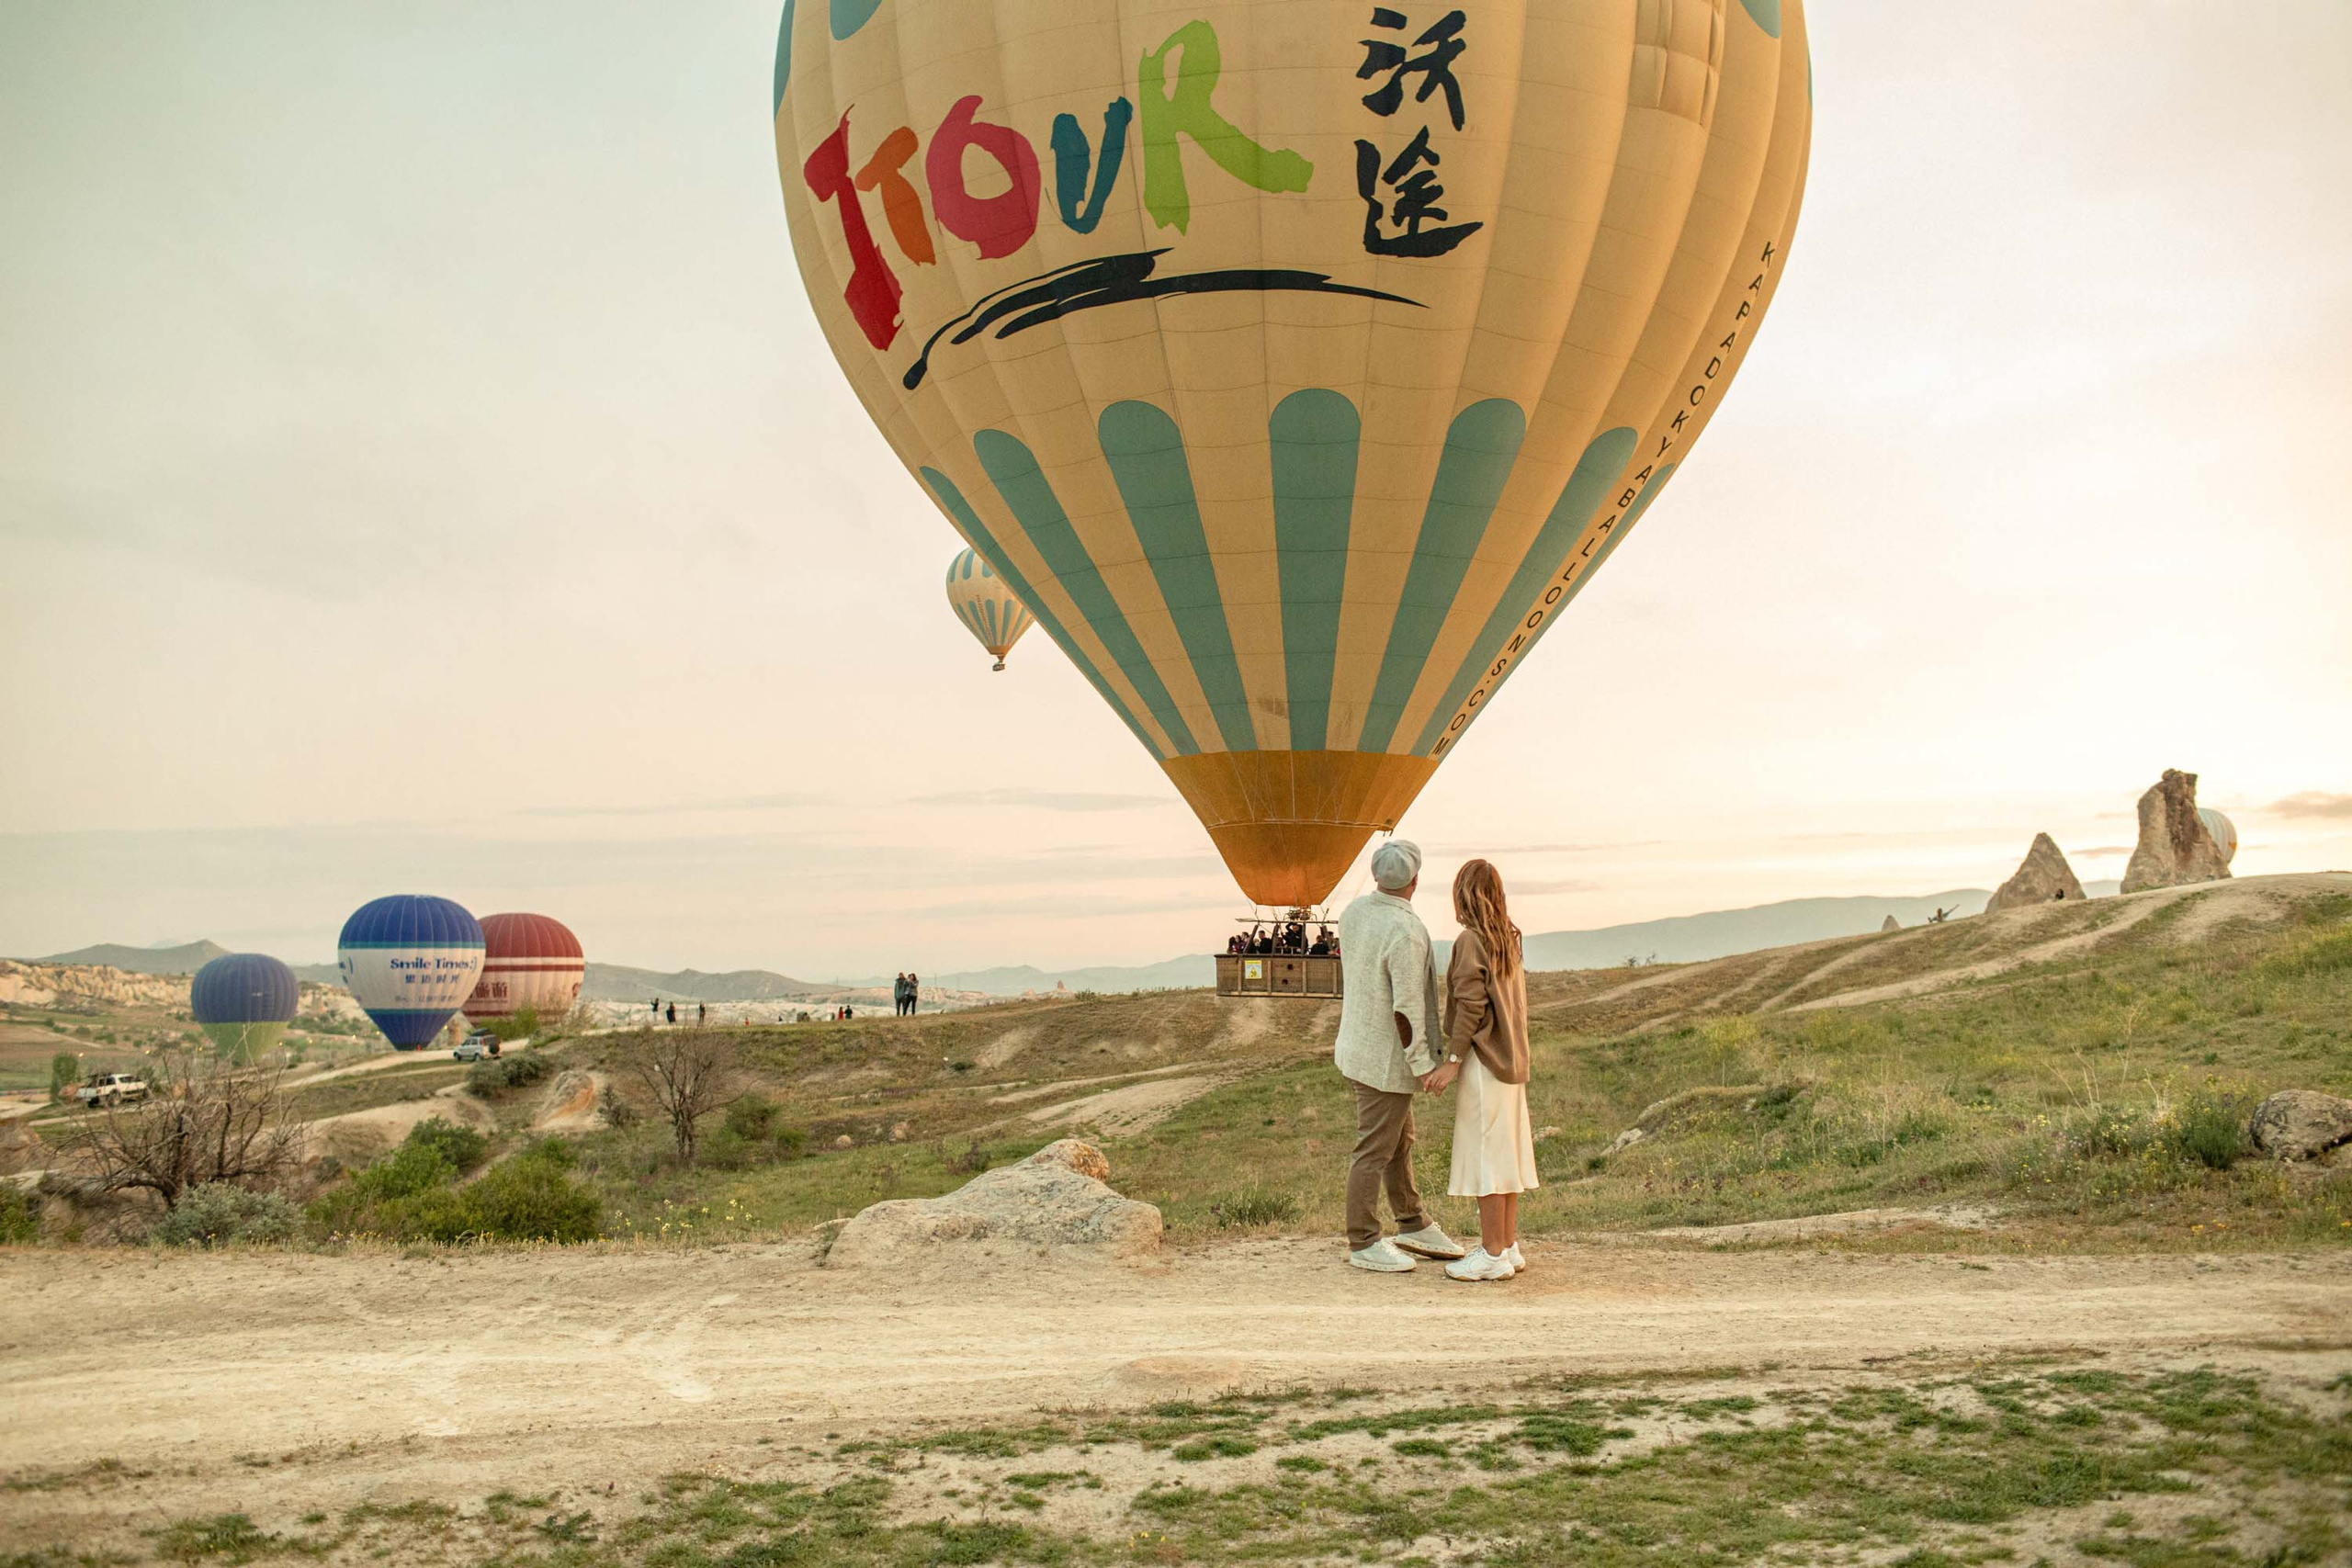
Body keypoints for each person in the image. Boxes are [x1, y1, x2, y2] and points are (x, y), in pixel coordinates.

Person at [1331, 838, 1465, 1273]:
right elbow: (1407, 1008)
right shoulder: (1407, 931)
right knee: (1374, 1148)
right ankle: (1364, 1240)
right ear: (1415, 880)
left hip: (1357, 1045)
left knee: (1398, 1142)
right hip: (1386, 1059)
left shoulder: (1353, 914)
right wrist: (1424, 1064)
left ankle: (1412, 1221)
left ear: (1376, 876)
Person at [1420, 858, 1537, 1282]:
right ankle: (1506, 1245)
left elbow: (1471, 1005)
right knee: (1505, 1156)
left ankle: (1490, 1256)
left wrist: (1452, 1061)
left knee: (1488, 1158)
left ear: (1463, 894)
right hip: (1511, 1063)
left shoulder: (1471, 940)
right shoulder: (1507, 937)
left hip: (1486, 1063)